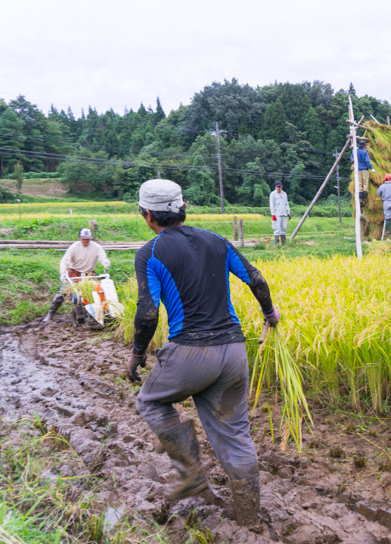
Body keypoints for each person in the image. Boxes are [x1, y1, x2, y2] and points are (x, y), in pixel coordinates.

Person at [126, 179, 279, 527]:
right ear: (184, 208)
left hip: (190, 352)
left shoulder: (150, 252)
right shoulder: (218, 241)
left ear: (147, 215)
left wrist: (137, 354)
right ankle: (249, 520)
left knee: (150, 401)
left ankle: (191, 473)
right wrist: (270, 314)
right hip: (234, 353)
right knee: (236, 436)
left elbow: (148, 313)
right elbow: (256, 279)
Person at [42, 228, 111, 323]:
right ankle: (50, 314)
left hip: (89, 275)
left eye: (88, 238)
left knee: (97, 293)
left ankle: (99, 314)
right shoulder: (74, 247)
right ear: (79, 238)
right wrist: (63, 273)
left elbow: (102, 257)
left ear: (91, 238)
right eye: (84, 238)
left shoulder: (96, 247)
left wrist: (105, 262)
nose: (86, 240)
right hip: (75, 275)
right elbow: (65, 261)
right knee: (62, 293)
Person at [376, 173, 391, 238]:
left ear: (385, 179)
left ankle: (389, 230)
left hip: (386, 202)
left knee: (387, 216)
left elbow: (378, 193)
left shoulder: (382, 186)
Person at [269, 181, 291, 245]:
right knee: (277, 229)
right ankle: (277, 244)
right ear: (275, 187)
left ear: (282, 186)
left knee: (284, 229)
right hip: (277, 214)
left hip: (284, 214)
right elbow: (272, 205)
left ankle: (283, 243)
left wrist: (288, 213)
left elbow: (286, 204)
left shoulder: (284, 194)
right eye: (277, 187)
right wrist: (273, 214)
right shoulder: (273, 194)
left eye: (280, 187)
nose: (278, 188)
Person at [356, 140, 375, 207]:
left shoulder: (355, 151)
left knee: (359, 184)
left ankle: (360, 199)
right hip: (364, 169)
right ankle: (363, 199)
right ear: (363, 146)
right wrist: (371, 168)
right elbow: (367, 161)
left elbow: (351, 158)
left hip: (357, 170)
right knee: (365, 184)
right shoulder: (364, 152)